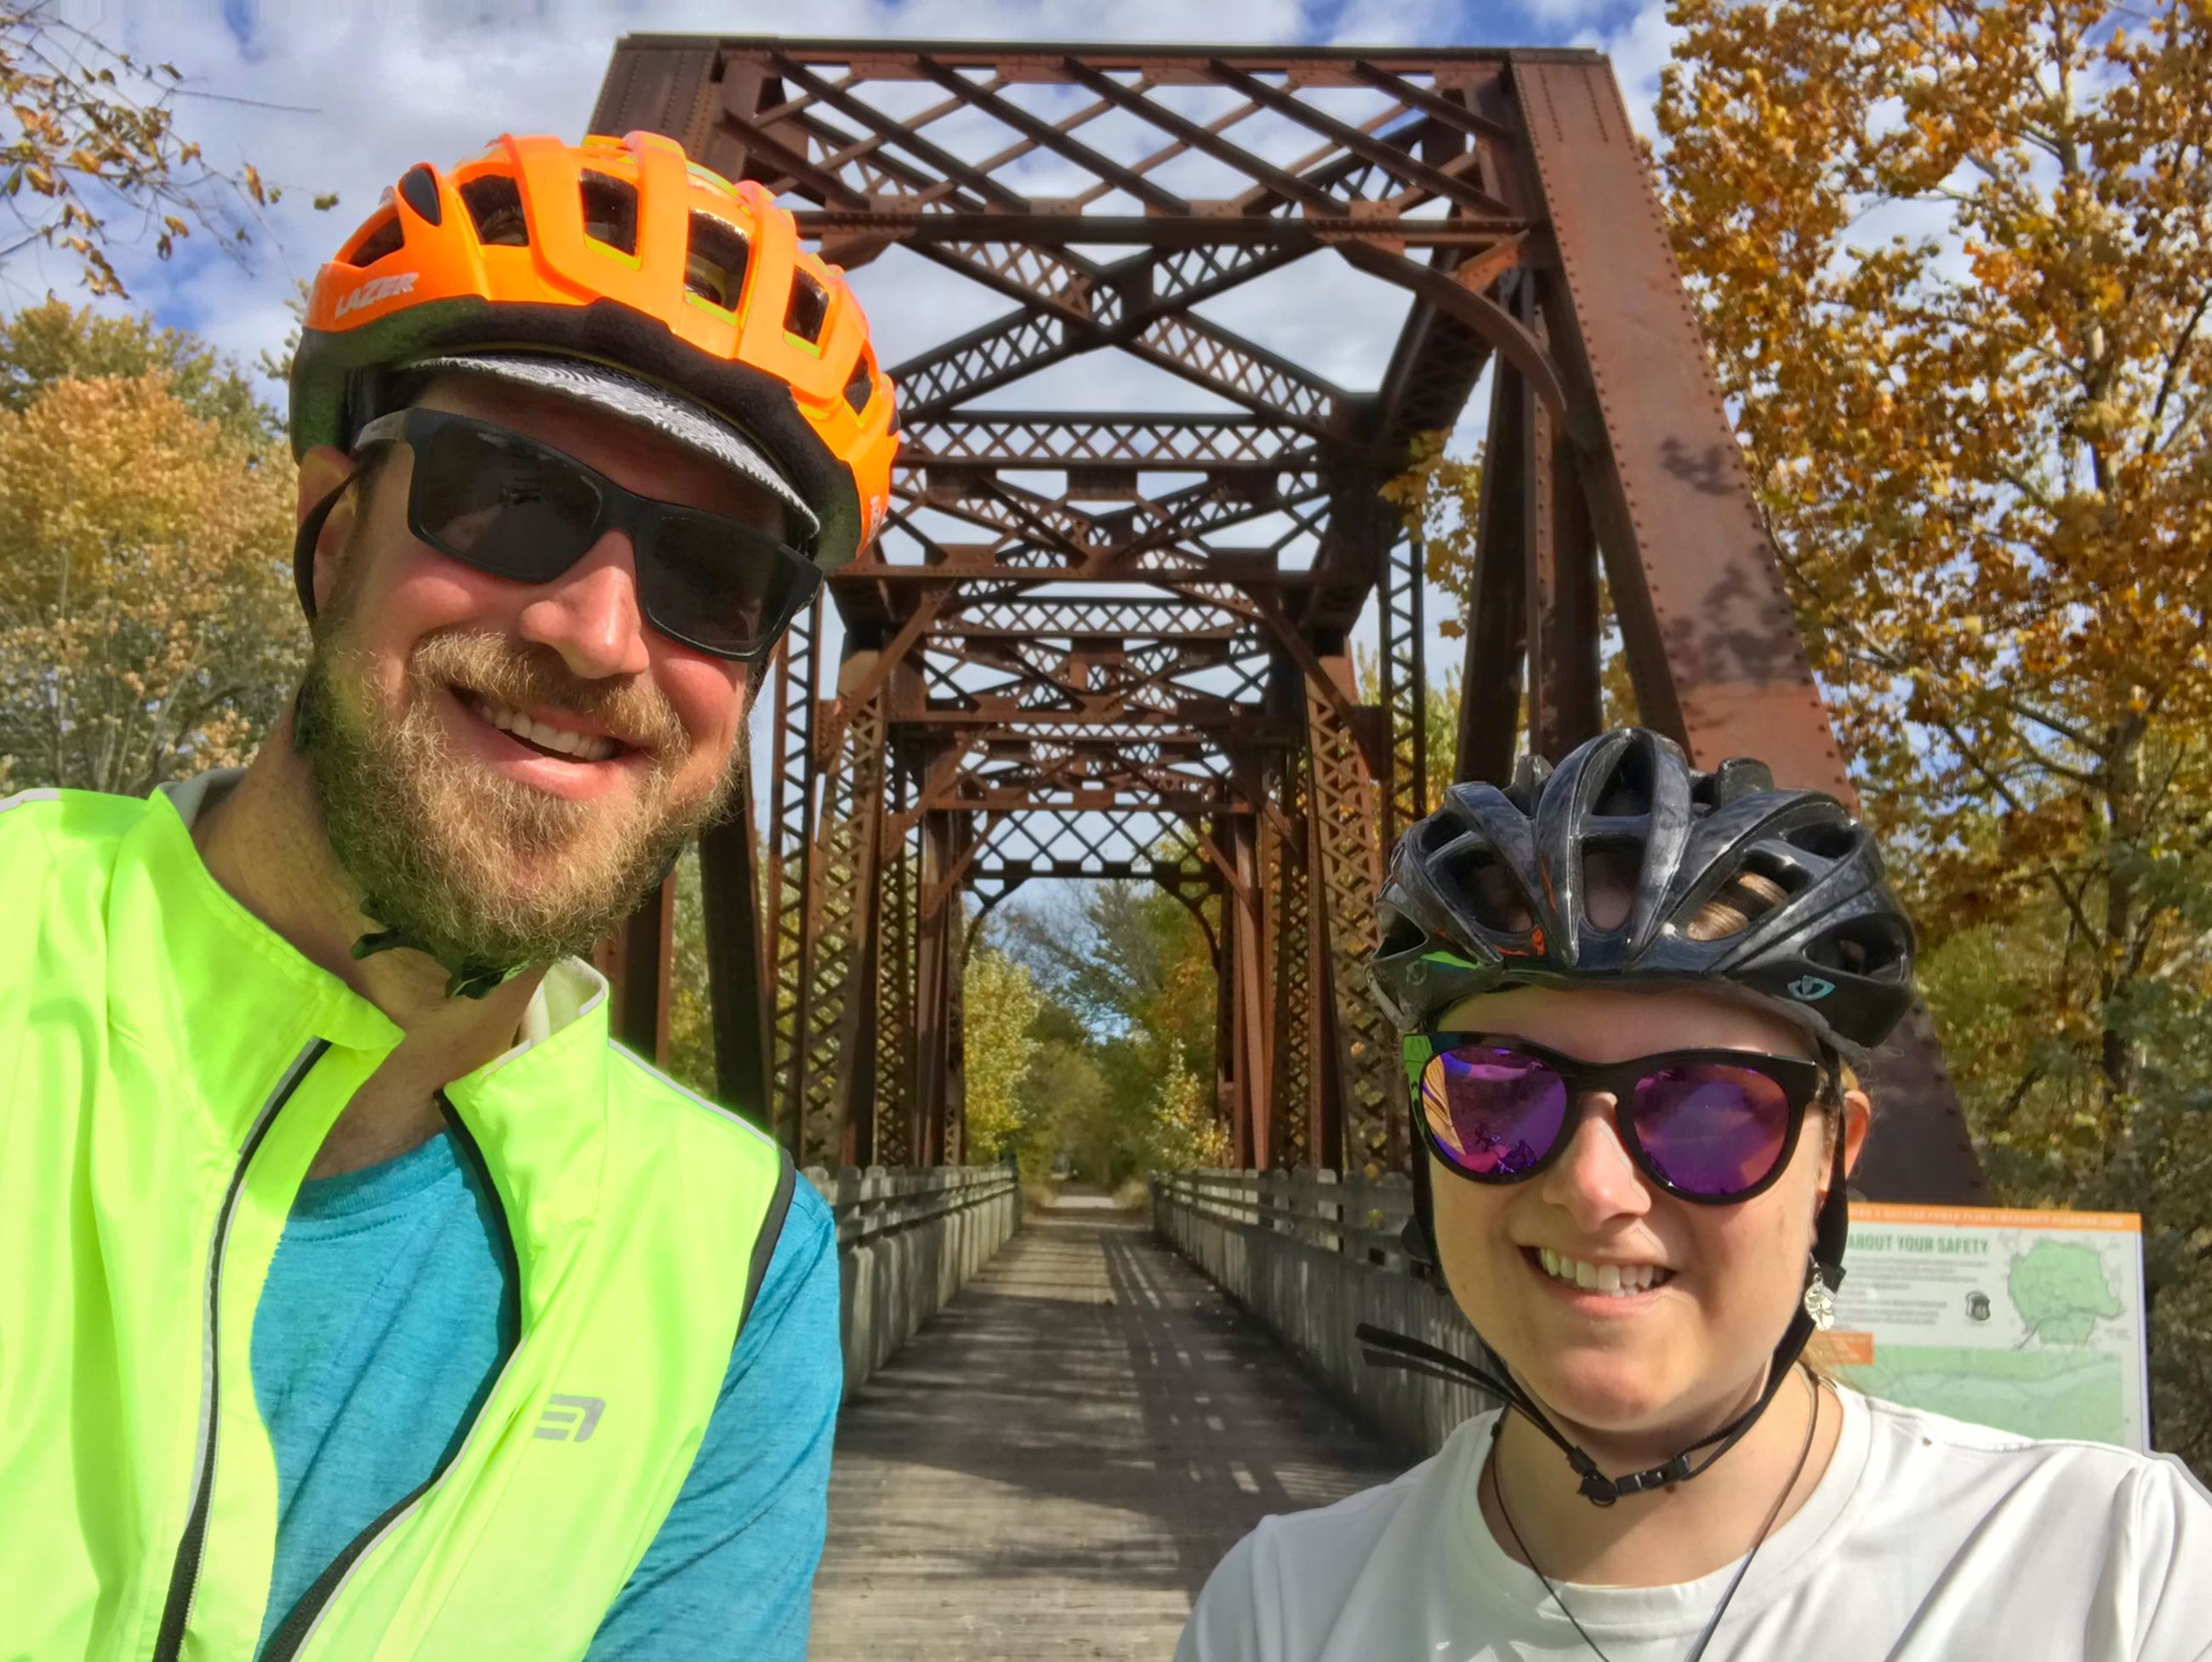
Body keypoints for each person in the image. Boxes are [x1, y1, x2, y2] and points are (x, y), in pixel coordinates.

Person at [1, 131, 898, 1659]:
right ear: (335, 530)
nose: (602, 632)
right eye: (508, 499)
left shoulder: (732, 1256)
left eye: (715, 577)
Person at [1177, 728, 2212, 1661]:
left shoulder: (2116, 1575)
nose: (1591, 1188)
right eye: (1501, 1095)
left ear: (1827, 1160)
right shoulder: (1282, 1617)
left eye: (1709, 1110)